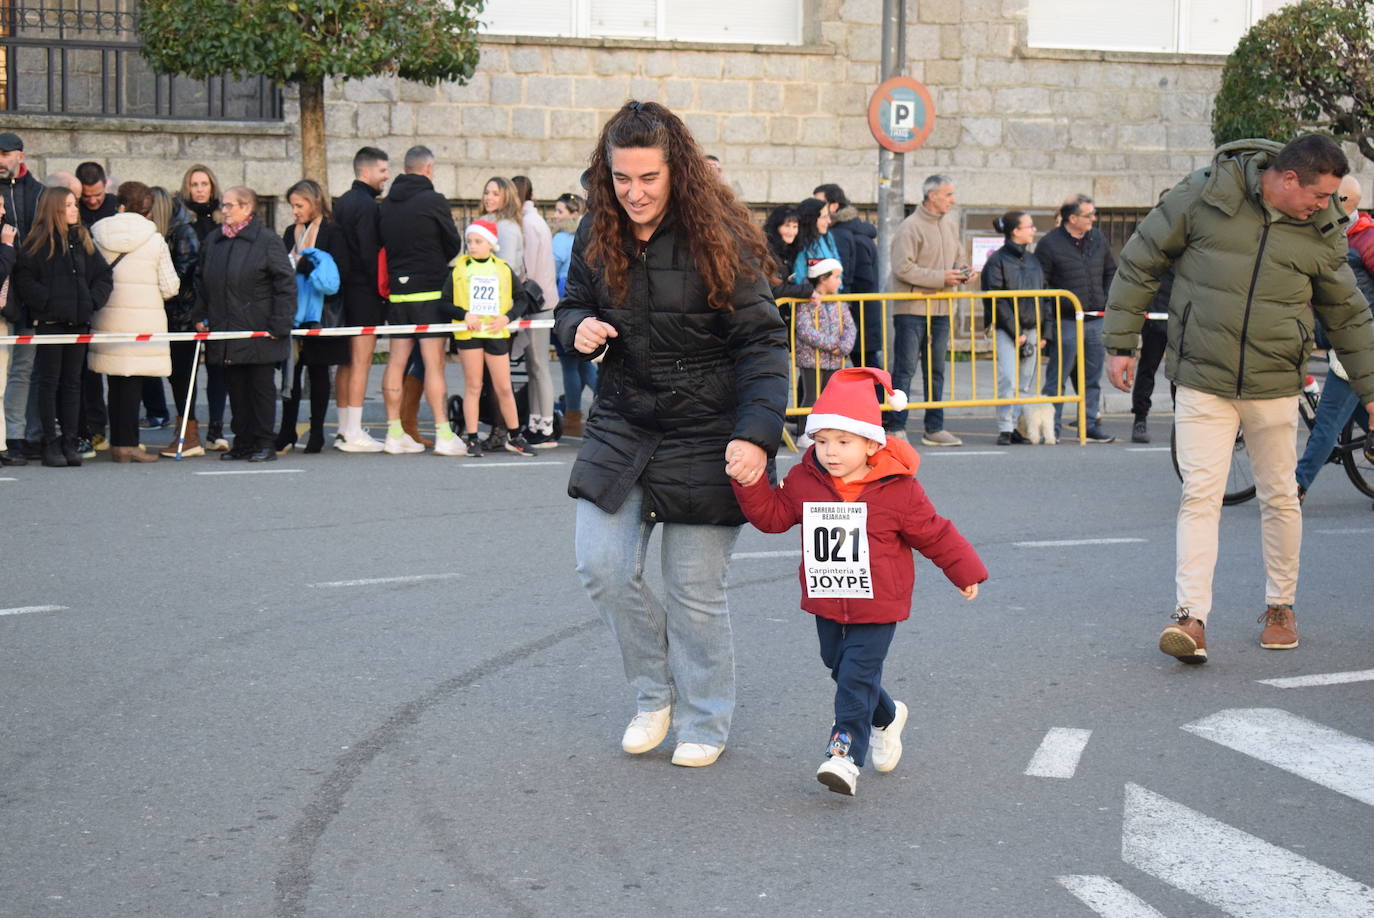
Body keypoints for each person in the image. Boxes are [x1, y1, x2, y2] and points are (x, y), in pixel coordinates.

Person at [554, 100, 789, 768]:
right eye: (621, 178)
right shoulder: (597, 227)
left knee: (693, 593)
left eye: (648, 178)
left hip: (708, 430)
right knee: (601, 566)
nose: (634, 192)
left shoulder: (719, 235)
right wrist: (577, 328)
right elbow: (570, 306)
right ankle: (655, 693)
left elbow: (762, 346)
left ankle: (706, 718)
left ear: (676, 171)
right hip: (623, 420)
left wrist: (756, 435)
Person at [1105, 134, 1374, 663]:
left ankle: (1280, 607)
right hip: (1203, 378)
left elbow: (1348, 314)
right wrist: (1120, 342)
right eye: (1320, 195)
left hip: (1275, 386)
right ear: (1289, 179)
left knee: (1280, 499)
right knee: (1199, 497)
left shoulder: (1320, 227)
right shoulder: (1204, 195)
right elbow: (1140, 259)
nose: (1327, 206)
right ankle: (1190, 618)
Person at [729, 367, 986, 796]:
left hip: (879, 602)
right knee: (839, 665)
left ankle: (844, 755)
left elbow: (934, 532)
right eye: (822, 441)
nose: (830, 452)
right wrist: (751, 483)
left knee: (855, 674)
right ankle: (887, 717)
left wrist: (964, 570)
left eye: (843, 442)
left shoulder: (898, 489)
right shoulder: (806, 481)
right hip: (829, 596)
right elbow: (773, 518)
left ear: (871, 443)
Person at [12, 187, 112, 467]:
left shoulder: (82, 239)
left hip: (78, 323)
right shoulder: (37, 244)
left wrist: (91, 301)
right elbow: (25, 279)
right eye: (68, 205)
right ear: (54, 209)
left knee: (72, 383)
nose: (74, 210)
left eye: (74, 205)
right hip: (51, 324)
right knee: (49, 382)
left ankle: (70, 440)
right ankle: (50, 442)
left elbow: (104, 275)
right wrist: (47, 303)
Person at [194, 186, 294, 462]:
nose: (223, 211)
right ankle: (243, 442)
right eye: (223, 205)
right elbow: (202, 281)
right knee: (236, 389)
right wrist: (200, 315)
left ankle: (264, 442)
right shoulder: (215, 240)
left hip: (260, 329)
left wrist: (279, 323)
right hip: (227, 328)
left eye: (229, 206)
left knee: (260, 389)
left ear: (247, 208)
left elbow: (285, 284)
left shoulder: (267, 241)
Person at [377, 145, 464, 456]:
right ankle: (443, 434)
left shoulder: (386, 204)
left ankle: (394, 432)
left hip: (398, 294)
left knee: (396, 361)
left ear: (405, 168)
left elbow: (381, 242)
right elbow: (453, 242)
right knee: (433, 364)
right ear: (428, 169)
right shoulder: (433, 200)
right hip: (429, 291)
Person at [88, 181, 178, 463]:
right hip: (142, 321)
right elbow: (170, 287)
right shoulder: (155, 240)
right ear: (148, 209)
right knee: (133, 383)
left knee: (114, 381)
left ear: (120, 204)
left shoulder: (97, 233)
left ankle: (117, 442)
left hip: (106, 317)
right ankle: (128, 445)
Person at [1295, 175, 1373, 499]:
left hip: (1356, 347)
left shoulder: (1364, 238)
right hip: (1342, 341)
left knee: (1327, 422)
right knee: (1356, 413)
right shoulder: (1332, 235)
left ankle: (1296, 488)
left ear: (1341, 203)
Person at [441, 219, 535, 458]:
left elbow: (522, 298)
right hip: (470, 334)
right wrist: (464, 314)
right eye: (470, 241)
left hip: (495, 333)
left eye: (478, 241)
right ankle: (472, 438)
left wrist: (507, 317)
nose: (472, 246)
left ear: (491, 244)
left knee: (504, 387)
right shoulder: (460, 269)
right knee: (474, 386)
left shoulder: (503, 269)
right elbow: (444, 302)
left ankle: (515, 436)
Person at [887, 174, 967, 447]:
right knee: (905, 369)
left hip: (942, 309)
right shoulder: (909, 227)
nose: (952, 200)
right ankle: (896, 426)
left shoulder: (950, 225)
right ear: (932, 196)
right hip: (912, 309)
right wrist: (941, 278)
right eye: (948, 194)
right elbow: (902, 267)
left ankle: (935, 427)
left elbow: (960, 257)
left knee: (937, 370)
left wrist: (964, 272)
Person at [275, 179, 350, 454]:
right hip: (294, 311)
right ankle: (287, 430)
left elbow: (339, 271)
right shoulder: (289, 232)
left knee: (318, 372)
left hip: (321, 312)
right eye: (292, 206)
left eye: (299, 205)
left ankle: (316, 431)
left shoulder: (333, 231)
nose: (294, 211)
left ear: (314, 202)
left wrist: (304, 264)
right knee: (291, 373)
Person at [1036, 193, 1117, 443]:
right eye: (1088, 215)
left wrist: (1105, 299)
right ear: (1072, 218)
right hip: (1066, 321)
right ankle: (1052, 428)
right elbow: (1041, 284)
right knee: (1057, 378)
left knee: (1091, 377)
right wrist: (1053, 315)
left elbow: (1110, 271)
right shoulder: (1050, 244)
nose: (1093, 218)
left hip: (1095, 319)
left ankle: (1089, 424)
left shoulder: (1097, 238)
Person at [331, 146, 390, 452]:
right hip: (364, 292)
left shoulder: (342, 202)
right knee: (361, 362)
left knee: (345, 362)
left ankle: (344, 428)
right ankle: (353, 432)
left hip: (343, 292)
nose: (386, 176)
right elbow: (369, 254)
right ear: (365, 171)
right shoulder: (367, 206)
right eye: (382, 170)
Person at [981, 210, 1051, 445]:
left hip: (1032, 328)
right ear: (1015, 231)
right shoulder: (997, 261)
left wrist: (1045, 331)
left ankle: (1017, 425)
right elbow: (996, 300)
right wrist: (1015, 331)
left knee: (1025, 381)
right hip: (1007, 330)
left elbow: (1045, 295)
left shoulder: (1033, 260)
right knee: (1008, 379)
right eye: (1029, 226)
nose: (1033, 230)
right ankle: (1005, 427)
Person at [176, 164, 229, 451]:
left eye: (204, 184)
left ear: (212, 187)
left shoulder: (223, 221)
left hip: (217, 302)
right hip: (188, 304)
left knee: (218, 368)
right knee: (187, 371)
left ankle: (216, 429)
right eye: (194, 184)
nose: (199, 189)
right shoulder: (182, 221)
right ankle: (190, 427)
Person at [149, 187, 204, 457]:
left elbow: (182, 275)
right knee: (176, 377)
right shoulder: (171, 232)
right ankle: (184, 431)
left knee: (183, 377)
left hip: (181, 316)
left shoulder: (182, 233)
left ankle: (189, 434)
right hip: (170, 314)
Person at [1, 132, 45, 462]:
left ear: (20, 156)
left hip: (30, 294)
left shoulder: (39, 193)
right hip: (3, 292)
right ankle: (7, 437)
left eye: (4, 154)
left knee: (24, 369)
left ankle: (20, 434)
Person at [478, 176, 528, 451]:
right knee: (486, 376)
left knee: (497, 377)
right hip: (481, 309)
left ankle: (501, 429)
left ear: (507, 196)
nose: (489, 197)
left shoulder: (507, 228)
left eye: (495, 193)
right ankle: (496, 426)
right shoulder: (487, 222)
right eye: (487, 192)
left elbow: (504, 271)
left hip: (498, 312)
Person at [511, 175, 559, 447]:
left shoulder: (528, 223)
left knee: (538, 366)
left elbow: (525, 267)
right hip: (542, 301)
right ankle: (537, 422)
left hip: (536, 303)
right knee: (534, 366)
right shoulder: (534, 220)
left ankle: (545, 425)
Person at [814, 183, 881, 368]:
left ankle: (882, 388)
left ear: (834, 206)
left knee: (866, 367)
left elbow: (857, 278)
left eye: (819, 202)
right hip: (855, 312)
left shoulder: (842, 235)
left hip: (855, 313)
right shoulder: (848, 232)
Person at [794, 258, 855, 442]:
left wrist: (843, 347)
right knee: (812, 396)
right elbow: (804, 329)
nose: (840, 281)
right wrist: (833, 345)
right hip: (812, 358)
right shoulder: (807, 301)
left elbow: (850, 327)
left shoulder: (839, 301)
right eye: (836, 277)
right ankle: (804, 433)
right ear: (822, 278)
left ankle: (826, 432)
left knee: (831, 397)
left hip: (835, 359)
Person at [551, 192, 595, 437]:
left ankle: (572, 415)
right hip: (585, 301)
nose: (555, 216)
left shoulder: (560, 239)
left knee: (569, 364)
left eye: (560, 211)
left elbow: (552, 270)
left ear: (573, 213)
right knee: (585, 363)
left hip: (565, 302)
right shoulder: (588, 234)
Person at [0, 193, 21, 466]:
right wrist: (7, 247)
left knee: (1, 386)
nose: (3, 211)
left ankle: (2, 444)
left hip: (3, 317)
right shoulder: (5, 241)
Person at [789, 198, 840, 292]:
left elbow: (837, 266)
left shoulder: (827, 237)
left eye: (828, 216)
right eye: (824, 217)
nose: (829, 221)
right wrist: (810, 293)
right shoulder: (800, 243)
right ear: (811, 219)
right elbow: (799, 276)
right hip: (810, 297)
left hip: (832, 296)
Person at [75, 162, 119, 228]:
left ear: (105, 184)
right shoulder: (71, 209)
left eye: (98, 195)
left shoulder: (118, 206)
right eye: (86, 196)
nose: (92, 201)